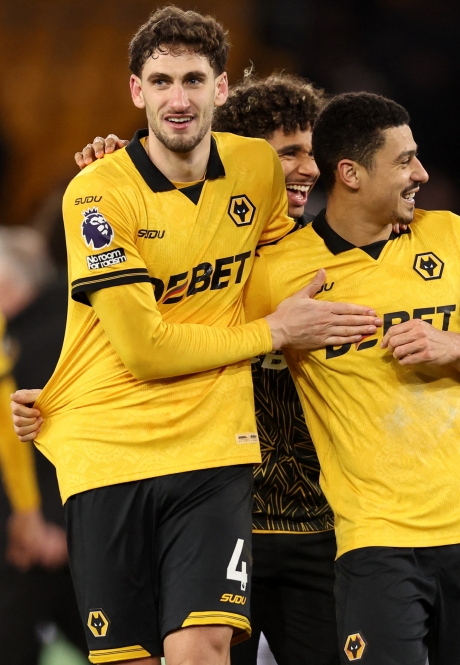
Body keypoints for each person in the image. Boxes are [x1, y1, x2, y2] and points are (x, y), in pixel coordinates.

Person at [9, 7, 381, 664]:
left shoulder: (255, 169)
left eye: (192, 80)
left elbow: (284, 264)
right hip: (111, 453)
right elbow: (145, 349)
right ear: (136, 90)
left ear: (221, 88)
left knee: (202, 649)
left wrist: (389, 233)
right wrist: (274, 331)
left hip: (213, 454)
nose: (177, 98)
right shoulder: (97, 194)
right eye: (160, 82)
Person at [242, 91, 460, 665]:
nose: (421, 174)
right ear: (351, 174)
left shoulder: (452, 236)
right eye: (404, 161)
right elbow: (192, 331)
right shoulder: (280, 273)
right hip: (375, 541)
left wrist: (450, 345)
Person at [71, 71, 340, 665]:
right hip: (210, 509)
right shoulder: (184, 255)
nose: (308, 168)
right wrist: (55, 400)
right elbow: (119, 336)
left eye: (313, 152)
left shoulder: (325, 259)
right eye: (288, 153)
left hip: (317, 524)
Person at [0, 225, 85, 663]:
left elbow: (75, 439)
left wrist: (59, 526)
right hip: (19, 535)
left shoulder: (52, 343)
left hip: (37, 540)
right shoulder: (8, 340)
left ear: (4, 281)